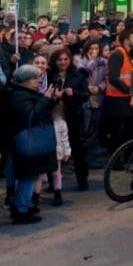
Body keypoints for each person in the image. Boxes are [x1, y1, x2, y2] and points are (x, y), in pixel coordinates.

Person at [8, 64, 57, 224]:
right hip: (27, 141)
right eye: (36, 78)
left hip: (33, 140)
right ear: (26, 80)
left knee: (32, 174)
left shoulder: (26, 94)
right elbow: (32, 115)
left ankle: (26, 204)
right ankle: (21, 208)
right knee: (27, 176)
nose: (39, 81)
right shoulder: (19, 96)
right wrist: (46, 99)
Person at [49, 48, 90, 190]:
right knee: (53, 148)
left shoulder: (77, 76)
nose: (63, 62)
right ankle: (53, 182)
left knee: (76, 147)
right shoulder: (49, 75)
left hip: (72, 115)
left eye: (65, 59)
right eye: (60, 60)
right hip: (54, 114)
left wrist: (74, 93)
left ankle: (82, 178)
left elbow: (85, 94)